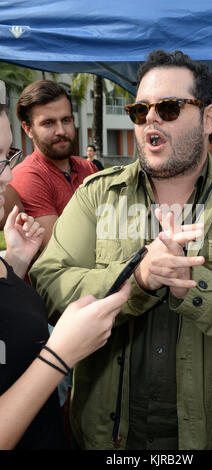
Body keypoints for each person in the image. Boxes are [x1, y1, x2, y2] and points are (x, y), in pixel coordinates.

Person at [30, 50, 212, 451]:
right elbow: (49, 287)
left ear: (208, 119)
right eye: (141, 110)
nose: (150, 119)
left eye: (169, 107)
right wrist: (137, 278)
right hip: (108, 441)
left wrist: (196, 287)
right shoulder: (96, 196)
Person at [0, 100, 130, 450]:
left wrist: (14, 264)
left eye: (8, 155)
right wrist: (59, 357)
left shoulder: (85, 168)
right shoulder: (35, 176)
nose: (10, 176)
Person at [0, 80, 98, 250]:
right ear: (28, 129)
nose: (61, 130)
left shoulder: (88, 168)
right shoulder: (27, 176)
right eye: (48, 123)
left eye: (66, 120)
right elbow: (62, 250)